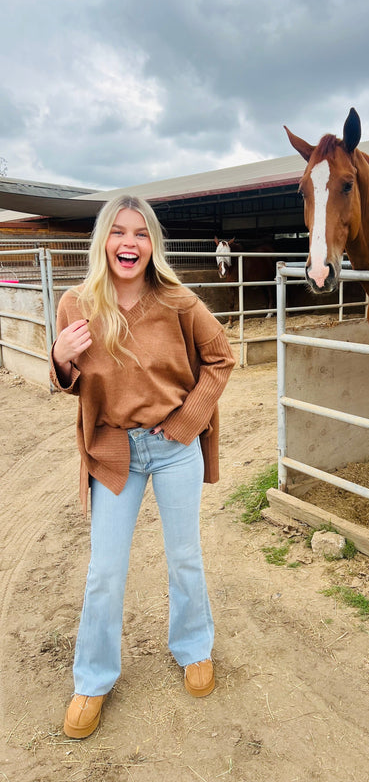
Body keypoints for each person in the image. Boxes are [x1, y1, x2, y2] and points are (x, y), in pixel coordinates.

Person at [50, 194, 235, 739]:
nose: (129, 243)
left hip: (174, 447)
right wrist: (60, 357)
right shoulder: (76, 304)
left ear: (153, 244)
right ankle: (93, 679)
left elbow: (221, 359)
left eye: (140, 233)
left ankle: (194, 647)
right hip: (113, 452)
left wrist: (186, 422)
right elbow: (70, 381)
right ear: (102, 240)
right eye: (118, 232)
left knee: (184, 555)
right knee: (105, 569)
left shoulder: (179, 302)